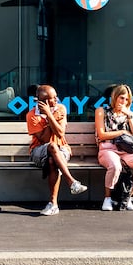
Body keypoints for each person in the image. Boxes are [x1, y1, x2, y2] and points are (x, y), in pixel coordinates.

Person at [26, 83, 88, 216]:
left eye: (56, 97)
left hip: (62, 149)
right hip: (38, 151)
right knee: (52, 146)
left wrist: (49, 115)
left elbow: (60, 133)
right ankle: (72, 182)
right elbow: (44, 139)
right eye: (53, 98)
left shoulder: (61, 109)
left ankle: (53, 204)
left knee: (52, 160)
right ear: (43, 102)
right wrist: (50, 115)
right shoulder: (32, 115)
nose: (56, 100)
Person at [95, 83, 133, 211]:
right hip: (107, 149)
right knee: (115, 166)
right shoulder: (101, 111)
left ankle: (126, 197)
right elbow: (102, 135)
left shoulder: (130, 115)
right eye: (121, 98)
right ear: (114, 97)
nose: (124, 101)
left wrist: (129, 116)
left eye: (127, 99)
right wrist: (122, 132)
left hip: (126, 150)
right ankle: (108, 198)